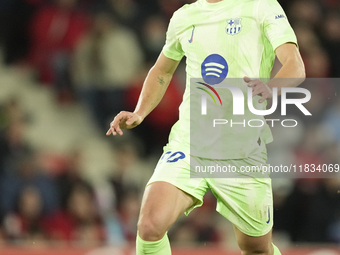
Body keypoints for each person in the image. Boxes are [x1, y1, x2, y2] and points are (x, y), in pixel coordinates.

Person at [106, 0, 305, 254]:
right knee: (150, 225)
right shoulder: (184, 17)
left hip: (242, 149)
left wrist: (271, 88)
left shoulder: (261, 6)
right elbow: (163, 71)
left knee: (256, 247)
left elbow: (295, 65)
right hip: (190, 141)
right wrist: (140, 112)